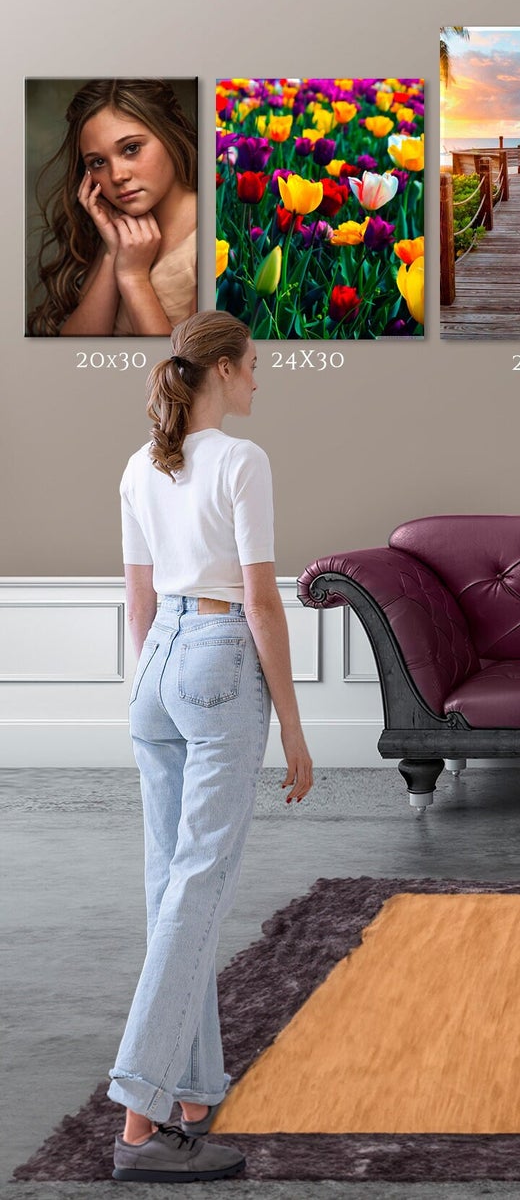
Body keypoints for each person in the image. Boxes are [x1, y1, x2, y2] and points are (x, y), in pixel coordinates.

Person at [107, 311, 313, 1183]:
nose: (259, 381)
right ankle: (138, 1122)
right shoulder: (241, 460)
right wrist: (295, 734)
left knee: (170, 886)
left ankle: (192, 1093)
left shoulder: (138, 464)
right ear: (223, 369)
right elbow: (264, 602)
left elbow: (138, 598)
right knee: (200, 884)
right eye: (255, 367)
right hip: (221, 655)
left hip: (157, 666)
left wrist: (159, 679)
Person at [25, 79, 198, 338]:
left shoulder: (215, 236)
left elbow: (184, 371)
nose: (116, 176)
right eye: (97, 162)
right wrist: (113, 251)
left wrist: (134, 278)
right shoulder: (122, 230)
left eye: (131, 148)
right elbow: (73, 352)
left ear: (170, 133)